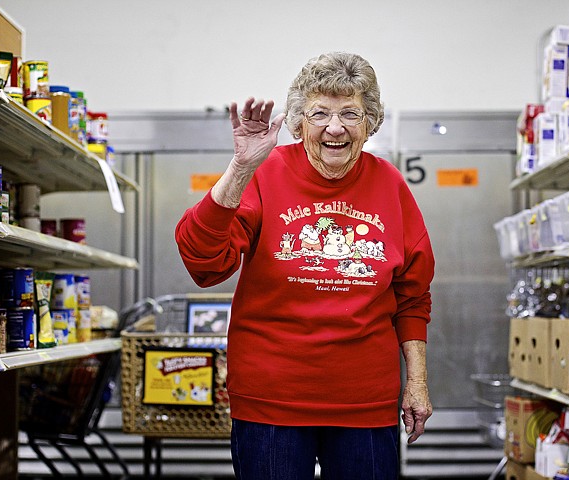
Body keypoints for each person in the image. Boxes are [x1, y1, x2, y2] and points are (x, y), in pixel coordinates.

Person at [175, 52, 435, 480]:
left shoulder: (390, 183)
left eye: (350, 113)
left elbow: (413, 296)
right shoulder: (265, 172)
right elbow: (202, 262)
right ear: (298, 123)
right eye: (320, 113)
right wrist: (241, 168)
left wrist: (418, 383)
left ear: (369, 123)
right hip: (271, 400)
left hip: (364, 403)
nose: (335, 128)